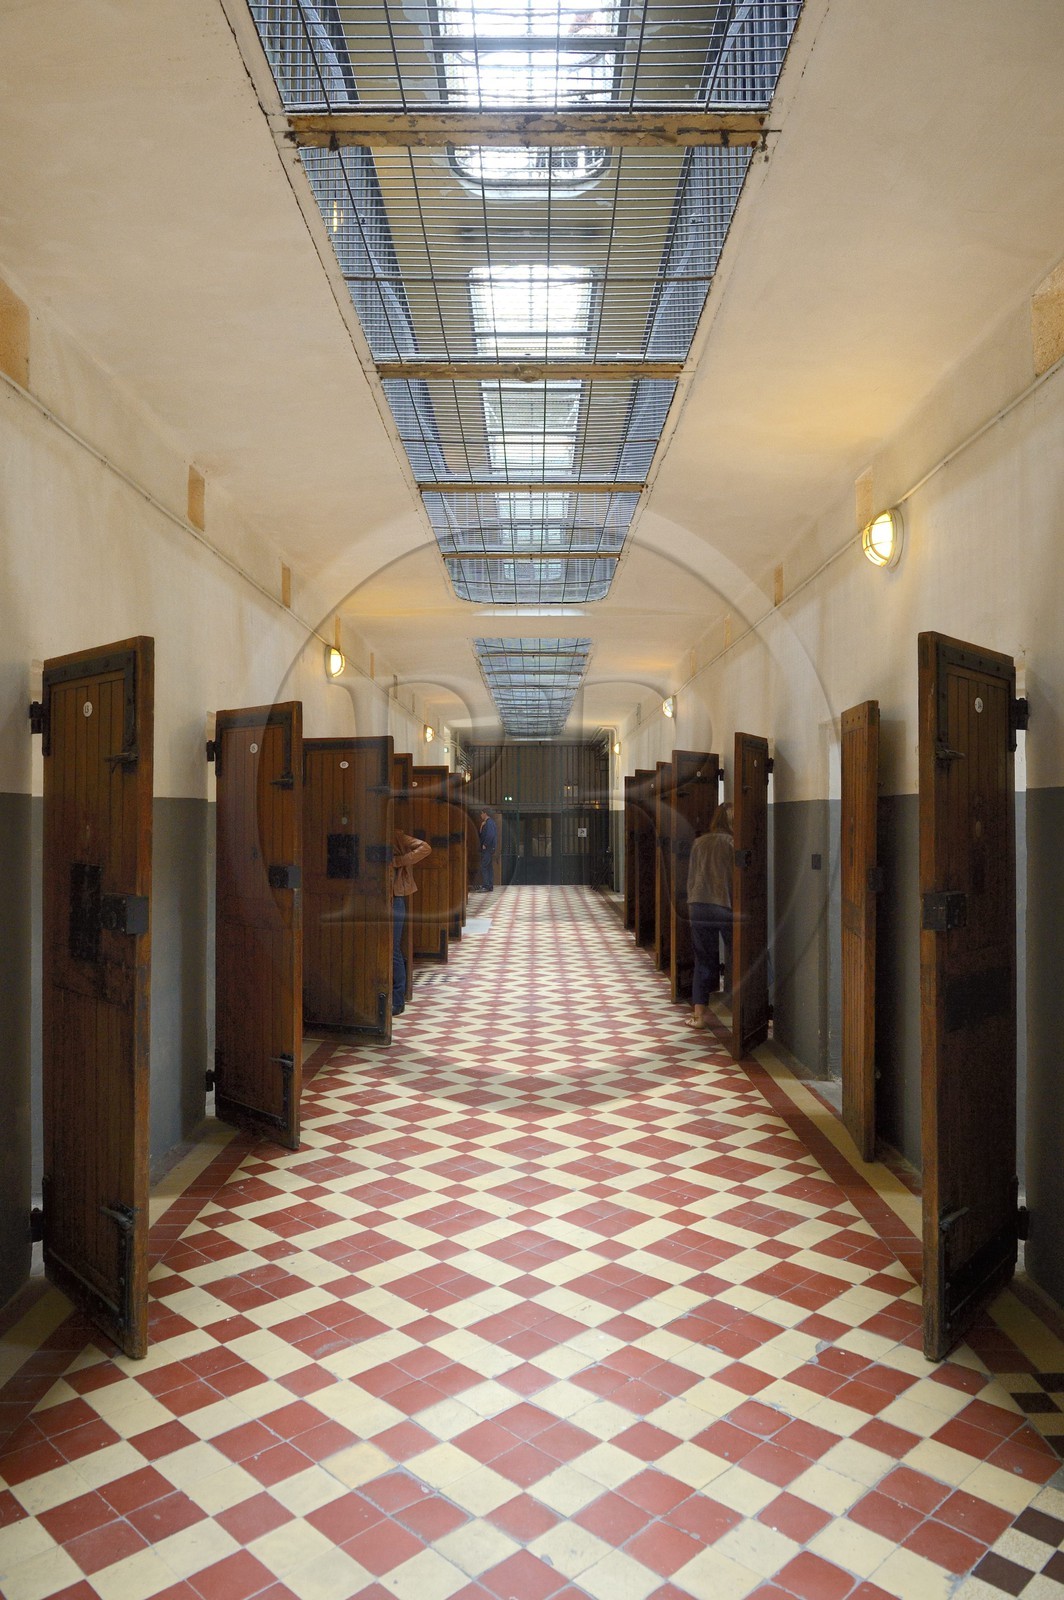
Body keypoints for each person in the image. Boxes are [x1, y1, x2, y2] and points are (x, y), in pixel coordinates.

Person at [686, 801, 734, 1031]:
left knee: (703, 960)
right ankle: (743, 1012)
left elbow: (692, 877)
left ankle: (699, 1016)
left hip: (698, 904)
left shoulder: (699, 842)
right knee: (741, 957)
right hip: (723, 904)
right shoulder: (733, 844)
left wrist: (691, 901)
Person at [392, 829, 431, 1017]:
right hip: (374, 898)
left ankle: (397, 1000)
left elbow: (425, 848)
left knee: (393, 950)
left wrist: (399, 861)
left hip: (395, 897)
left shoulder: (396, 835)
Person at [476, 809, 497, 891]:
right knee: (488, 866)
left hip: (487, 848)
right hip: (489, 848)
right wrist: (481, 826)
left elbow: (490, 835)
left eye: (481, 814)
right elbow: (482, 834)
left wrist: (485, 844)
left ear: (485, 813)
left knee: (484, 866)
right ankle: (489, 885)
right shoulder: (487, 823)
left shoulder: (489, 823)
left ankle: (486, 885)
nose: (481, 816)